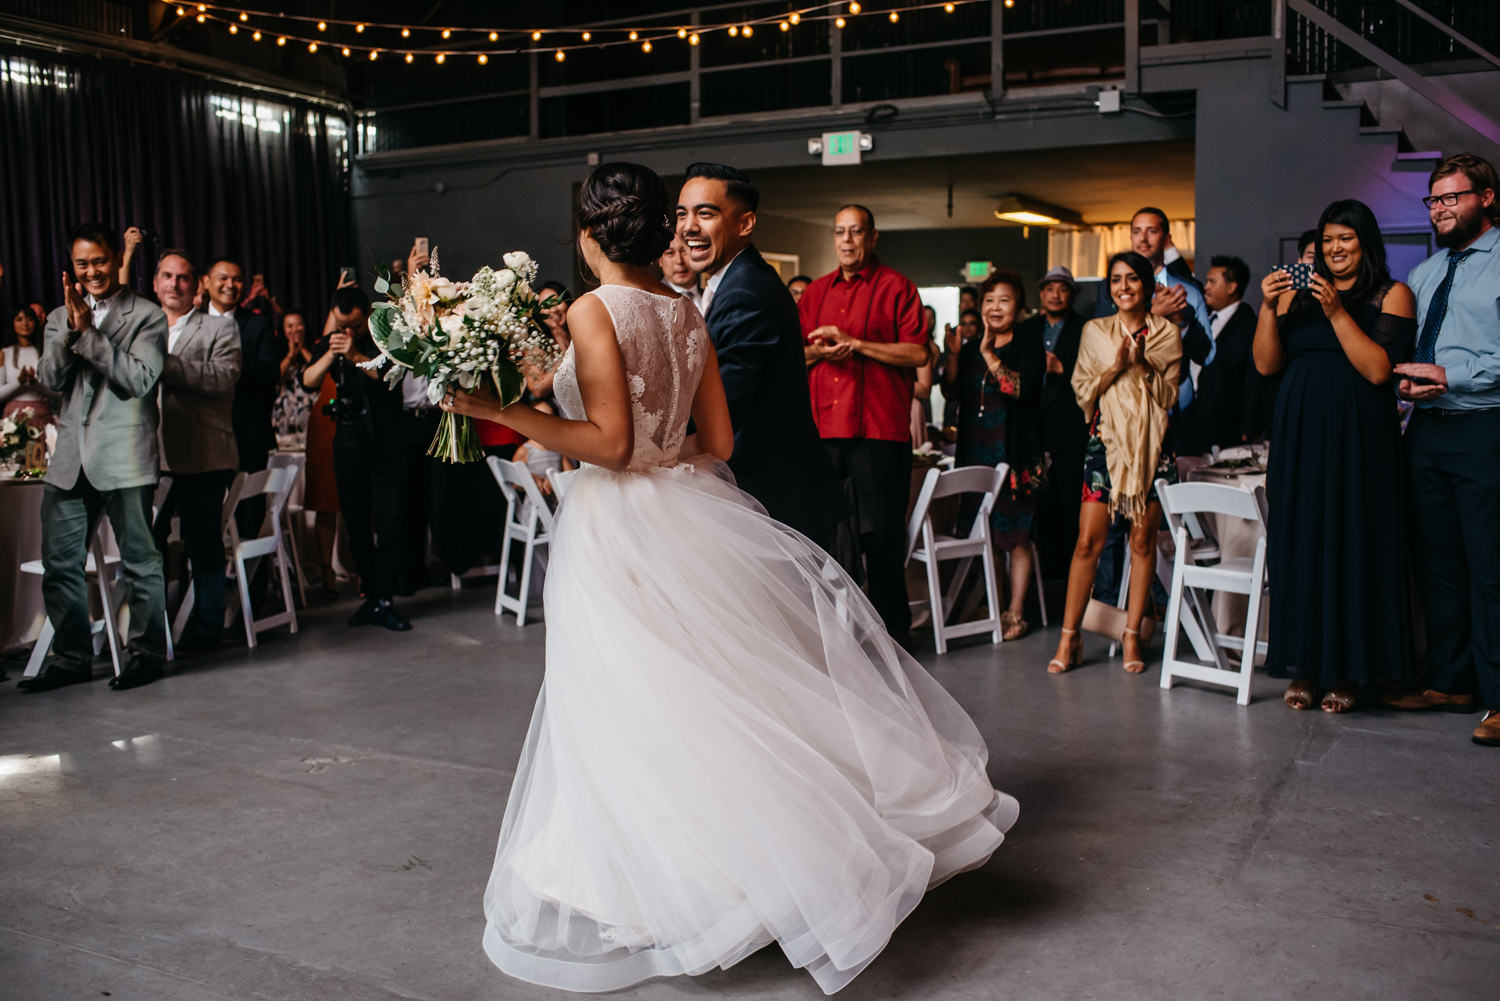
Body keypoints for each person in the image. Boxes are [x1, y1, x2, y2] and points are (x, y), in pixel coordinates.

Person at [441, 161, 1016, 996]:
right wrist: (640, 438)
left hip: (617, 525)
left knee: (625, 697)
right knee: (698, 692)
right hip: (689, 508)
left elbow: (608, 445)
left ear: (590, 232)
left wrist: (500, 411)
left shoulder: (595, 308)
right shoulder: (683, 310)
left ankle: (662, 882)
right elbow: (718, 441)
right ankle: (751, 862)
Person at [1253, 199, 1417, 713]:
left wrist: (1336, 311)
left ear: (1365, 242)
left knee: (1352, 543)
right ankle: (1304, 665)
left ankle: (1350, 671)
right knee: (1300, 543)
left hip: (1359, 438)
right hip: (1299, 434)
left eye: (1345, 238)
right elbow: (1266, 365)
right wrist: (1267, 307)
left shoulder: (1393, 294)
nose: (1334, 248)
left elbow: (1378, 370)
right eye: (1326, 240)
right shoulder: (1296, 295)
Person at [19, 223, 169, 693]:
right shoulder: (59, 316)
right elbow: (50, 379)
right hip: (70, 460)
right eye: (82, 264)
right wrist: (72, 328)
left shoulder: (148, 316)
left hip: (125, 457)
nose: (92, 271)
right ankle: (71, 659)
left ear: (115, 259)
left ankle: (146, 654)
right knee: (60, 566)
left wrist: (89, 335)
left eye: (99, 261)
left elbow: (139, 379)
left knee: (140, 563)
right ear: (72, 267)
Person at [1383, 153, 1500, 746]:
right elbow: (1412, 350)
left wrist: (1452, 376)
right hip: (1425, 432)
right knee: (1439, 564)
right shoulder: (1424, 274)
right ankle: (1451, 682)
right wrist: (1407, 382)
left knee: (1491, 568)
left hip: (1486, 427)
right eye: (1433, 200)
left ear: (1487, 198)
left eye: (1452, 197)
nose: (1439, 209)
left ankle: (1499, 697)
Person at [677, 161, 845, 551]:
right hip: (763, 493)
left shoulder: (748, 292)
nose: (688, 227)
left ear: (745, 223)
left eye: (706, 213)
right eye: (682, 214)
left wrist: (645, 444)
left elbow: (723, 403)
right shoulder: (733, 282)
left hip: (775, 500)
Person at [1046, 251, 1182, 677]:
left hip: (1152, 448)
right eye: (1116, 280)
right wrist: (1118, 366)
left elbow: (1169, 396)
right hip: (1104, 444)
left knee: (1142, 543)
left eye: (1132, 279)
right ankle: (1070, 635)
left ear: (1147, 285)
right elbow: (1083, 390)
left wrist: (1142, 365)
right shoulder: (1095, 331)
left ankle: (1132, 634)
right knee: (1088, 542)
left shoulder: (1166, 334)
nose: (1124, 287)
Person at [799, 204, 928, 640]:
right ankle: (827, 635)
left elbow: (918, 352)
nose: (847, 240)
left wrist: (856, 344)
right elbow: (793, 356)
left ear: (872, 237)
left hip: (879, 430)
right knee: (819, 535)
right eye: (840, 232)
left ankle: (895, 636)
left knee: (883, 539)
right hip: (823, 429)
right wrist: (820, 352)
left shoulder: (897, 288)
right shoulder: (815, 294)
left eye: (856, 232)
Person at [302, 287, 413, 631]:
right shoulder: (332, 342)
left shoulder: (386, 337)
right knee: (355, 524)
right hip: (349, 442)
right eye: (342, 326)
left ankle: (385, 599)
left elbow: (388, 377)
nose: (348, 331)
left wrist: (353, 356)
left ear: (366, 316)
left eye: (354, 325)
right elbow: (308, 381)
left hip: (387, 443)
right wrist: (331, 353)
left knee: (389, 523)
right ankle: (370, 597)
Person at [151, 249, 243, 653]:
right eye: (167, 276)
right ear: (155, 283)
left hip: (204, 454)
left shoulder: (219, 328)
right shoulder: (142, 328)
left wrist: (164, 364)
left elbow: (224, 377)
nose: (174, 284)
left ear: (197, 285)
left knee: (201, 544)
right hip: (149, 455)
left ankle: (208, 627)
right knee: (148, 545)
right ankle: (152, 629)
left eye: (183, 277)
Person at [949, 271, 1045, 640]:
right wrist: (955, 356)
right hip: (976, 455)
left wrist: (989, 353)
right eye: (989, 300)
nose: (995, 307)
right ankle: (994, 608)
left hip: (1015, 456)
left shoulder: (1029, 346)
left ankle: (1015, 612)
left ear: (1018, 306)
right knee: (984, 534)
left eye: (1004, 300)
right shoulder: (969, 348)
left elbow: (1017, 388)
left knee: (1016, 536)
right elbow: (953, 392)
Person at [1015, 266, 1086, 581]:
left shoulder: (1085, 329)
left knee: (1068, 500)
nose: (1056, 295)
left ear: (1072, 295)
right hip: (1032, 426)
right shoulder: (1026, 329)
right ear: (1041, 294)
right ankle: (1037, 575)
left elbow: (1094, 378)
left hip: (1069, 428)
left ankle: (1068, 574)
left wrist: (1062, 369)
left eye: (1063, 289)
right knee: (1035, 503)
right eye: (1050, 289)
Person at [206, 257, 280, 539]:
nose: (230, 285)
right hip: (200, 437)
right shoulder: (193, 322)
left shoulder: (258, 324)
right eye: (223, 278)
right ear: (206, 282)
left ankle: (252, 569)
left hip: (247, 436)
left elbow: (270, 371)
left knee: (250, 514)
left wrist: (229, 364)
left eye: (237, 279)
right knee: (202, 517)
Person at [1178, 255, 1261, 454]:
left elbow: (1254, 379)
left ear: (1231, 287)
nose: (1205, 287)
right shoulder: (1201, 318)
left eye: (1212, 282)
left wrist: (1249, 427)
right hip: (1190, 421)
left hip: (1226, 427)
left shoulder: (1250, 326)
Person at [1, 304, 61, 423]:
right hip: (13, 418)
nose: (25, 324)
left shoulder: (45, 352)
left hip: (42, 413)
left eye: (30, 319)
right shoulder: (4, 353)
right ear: (12, 323)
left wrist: (36, 385)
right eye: (19, 319)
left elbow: (59, 393)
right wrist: (19, 382)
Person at [272, 310, 317, 439]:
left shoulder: (315, 347)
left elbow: (318, 371)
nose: (295, 330)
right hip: (284, 410)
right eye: (290, 326)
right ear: (283, 329)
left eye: (299, 325)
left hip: (309, 407)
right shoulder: (275, 350)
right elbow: (276, 376)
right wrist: (291, 355)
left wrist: (302, 349)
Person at [658, 234, 702, 309]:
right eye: (670, 253)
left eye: (685, 251)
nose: (679, 261)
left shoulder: (712, 294)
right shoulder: (652, 299)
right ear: (660, 260)